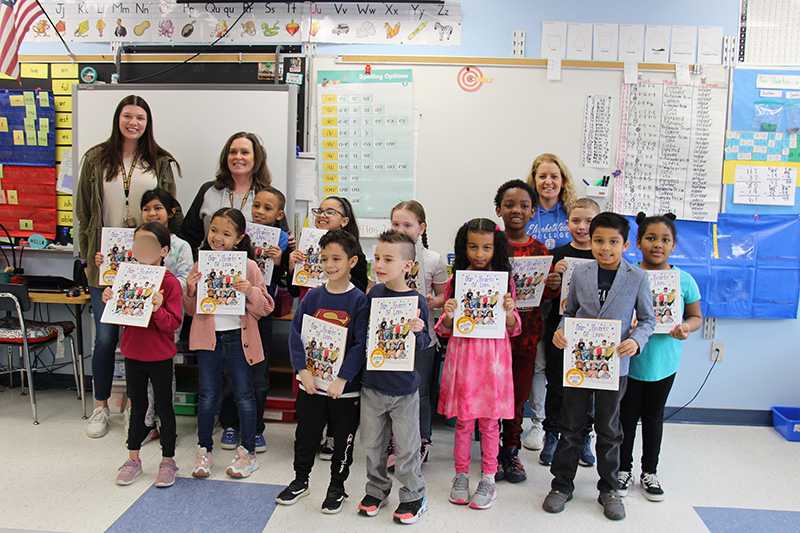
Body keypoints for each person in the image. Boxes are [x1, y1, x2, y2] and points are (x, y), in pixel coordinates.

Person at [77, 94, 183, 439]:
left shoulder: (159, 160)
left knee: (144, 334)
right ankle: (101, 406)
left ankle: (143, 409)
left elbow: (169, 211)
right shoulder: (95, 158)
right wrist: (89, 254)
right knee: (106, 338)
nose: (133, 122)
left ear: (147, 122)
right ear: (117, 119)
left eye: (140, 117)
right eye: (127, 116)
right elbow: (84, 213)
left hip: (146, 261)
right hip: (105, 261)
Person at [543, 212, 656, 521]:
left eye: (613, 242)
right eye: (598, 241)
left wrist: (636, 340)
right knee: (571, 425)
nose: (605, 248)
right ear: (590, 241)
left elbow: (648, 319)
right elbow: (571, 311)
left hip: (614, 366)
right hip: (579, 364)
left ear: (626, 244)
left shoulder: (637, 277)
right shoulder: (581, 274)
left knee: (609, 428)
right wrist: (562, 329)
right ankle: (561, 485)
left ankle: (608, 488)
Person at [276, 230, 369, 515]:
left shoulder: (359, 301)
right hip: (312, 384)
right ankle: (300, 479)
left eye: (336, 259)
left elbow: (359, 343)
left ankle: (337, 487)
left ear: (352, 261)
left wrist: (343, 378)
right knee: (305, 435)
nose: (329, 264)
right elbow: (296, 336)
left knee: (342, 440)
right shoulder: (313, 297)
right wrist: (301, 370)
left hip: (345, 388)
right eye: (324, 258)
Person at [436, 219, 521, 510]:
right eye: (473, 247)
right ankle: (460, 475)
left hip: (494, 362)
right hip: (464, 359)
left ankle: (488, 477)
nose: (480, 254)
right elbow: (444, 328)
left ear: (496, 248)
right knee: (462, 422)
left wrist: (509, 311)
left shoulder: (505, 280)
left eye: (487, 247)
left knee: (489, 423)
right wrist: (448, 313)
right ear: (464, 247)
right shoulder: (455, 281)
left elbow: (513, 327)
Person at [183, 208, 273, 479]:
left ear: (239, 238)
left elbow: (266, 307)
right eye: (213, 230)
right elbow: (190, 310)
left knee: (244, 394)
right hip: (208, 340)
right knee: (208, 395)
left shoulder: (249, 267)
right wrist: (189, 290)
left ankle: (248, 453)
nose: (217, 237)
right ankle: (204, 451)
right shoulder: (200, 264)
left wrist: (250, 291)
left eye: (226, 233)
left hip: (238, 338)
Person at [618, 212, 702, 502]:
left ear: (674, 245)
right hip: (630, 360)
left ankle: (649, 471)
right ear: (638, 243)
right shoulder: (625, 274)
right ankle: (622, 470)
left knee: (654, 417)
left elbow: (695, 317)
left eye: (665, 239)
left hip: (664, 361)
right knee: (626, 417)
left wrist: (685, 329)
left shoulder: (684, 280)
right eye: (651, 238)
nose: (658, 245)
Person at [367, 200, 448, 467]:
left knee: (419, 390)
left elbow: (441, 296)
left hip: (420, 336)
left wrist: (429, 302)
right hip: (388, 337)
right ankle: (393, 440)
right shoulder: (382, 256)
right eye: (395, 223)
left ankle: (423, 440)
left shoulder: (434, 259)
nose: (401, 228)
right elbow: (372, 290)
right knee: (390, 390)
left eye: (407, 224)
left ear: (421, 228)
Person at [358, 230, 430, 524]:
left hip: (403, 389)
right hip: (373, 384)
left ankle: (414, 495)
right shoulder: (373, 293)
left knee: (407, 446)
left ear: (407, 266)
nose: (379, 264)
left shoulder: (416, 301)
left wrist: (417, 331)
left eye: (388, 259)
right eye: (376, 258)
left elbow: (426, 343)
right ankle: (377, 489)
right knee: (372, 444)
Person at [106, 222, 182, 488]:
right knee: (137, 407)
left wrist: (158, 308)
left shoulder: (170, 282)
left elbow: (172, 324)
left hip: (160, 354)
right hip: (133, 352)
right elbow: (122, 320)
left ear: (163, 250)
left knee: (164, 408)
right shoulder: (125, 276)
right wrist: (112, 300)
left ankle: (168, 461)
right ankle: (133, 459)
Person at [219, 186, 291, 453]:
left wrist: (281, 260)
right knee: (231, 372)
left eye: (267, 208)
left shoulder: (283, 239)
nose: (259, 211)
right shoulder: (237, 233)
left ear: (279, 213)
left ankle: (256, 427)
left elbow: (283, 280)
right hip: (232, 313)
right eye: (256, 205)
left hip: (260, 312)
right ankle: (230, 423)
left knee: (259, 376)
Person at [494, 179, 556, 483]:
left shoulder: (540, 250)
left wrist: (552, 288)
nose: (516, 210)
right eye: (509, 204)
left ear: (533, 211)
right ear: (498, 209)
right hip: (491, 338)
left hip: (526, 336)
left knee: (517, 398)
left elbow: (544, 297)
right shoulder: (490, 244)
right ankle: (492, 451)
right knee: (493, 396)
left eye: (523, 205)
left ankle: (511, 450)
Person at [537, 198, 600, 467]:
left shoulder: (605, 256)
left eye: (589, 221)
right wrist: (553, 278)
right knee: (556, 385)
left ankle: (585, 436)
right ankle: (552, 434)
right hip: (559, 329)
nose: (582, 226)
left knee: (589, 389)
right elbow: (545, 294)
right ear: (567, 224)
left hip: (593, 333)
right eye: (576, 221)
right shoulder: (558, 255)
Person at [181, 132, 289, 250]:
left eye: (245, 152)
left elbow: (281, 240)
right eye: (233, 152)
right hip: (211, 264)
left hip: (255, 267)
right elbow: (188, 237)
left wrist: (288, 246)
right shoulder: (208, 191)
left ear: (256, 158)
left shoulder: (268, 196)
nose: (238, 157)